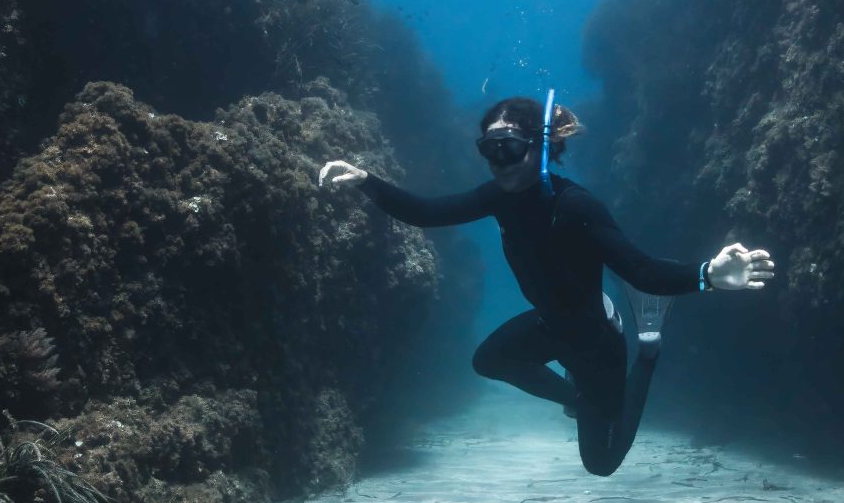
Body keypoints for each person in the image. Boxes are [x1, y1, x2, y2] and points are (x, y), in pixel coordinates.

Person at [317, 95, 776, 476]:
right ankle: (578, 395)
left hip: (597, 340)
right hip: (550, 323)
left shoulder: (575, 206)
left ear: (540, 146)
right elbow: (428, 213)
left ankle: (649, 348)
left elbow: (642, 271)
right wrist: (365, 181)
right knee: (489, 360)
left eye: (509, 147)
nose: (499, 162)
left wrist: (707, 276)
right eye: (488, 148)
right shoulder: (498, 197)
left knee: (601, 464)